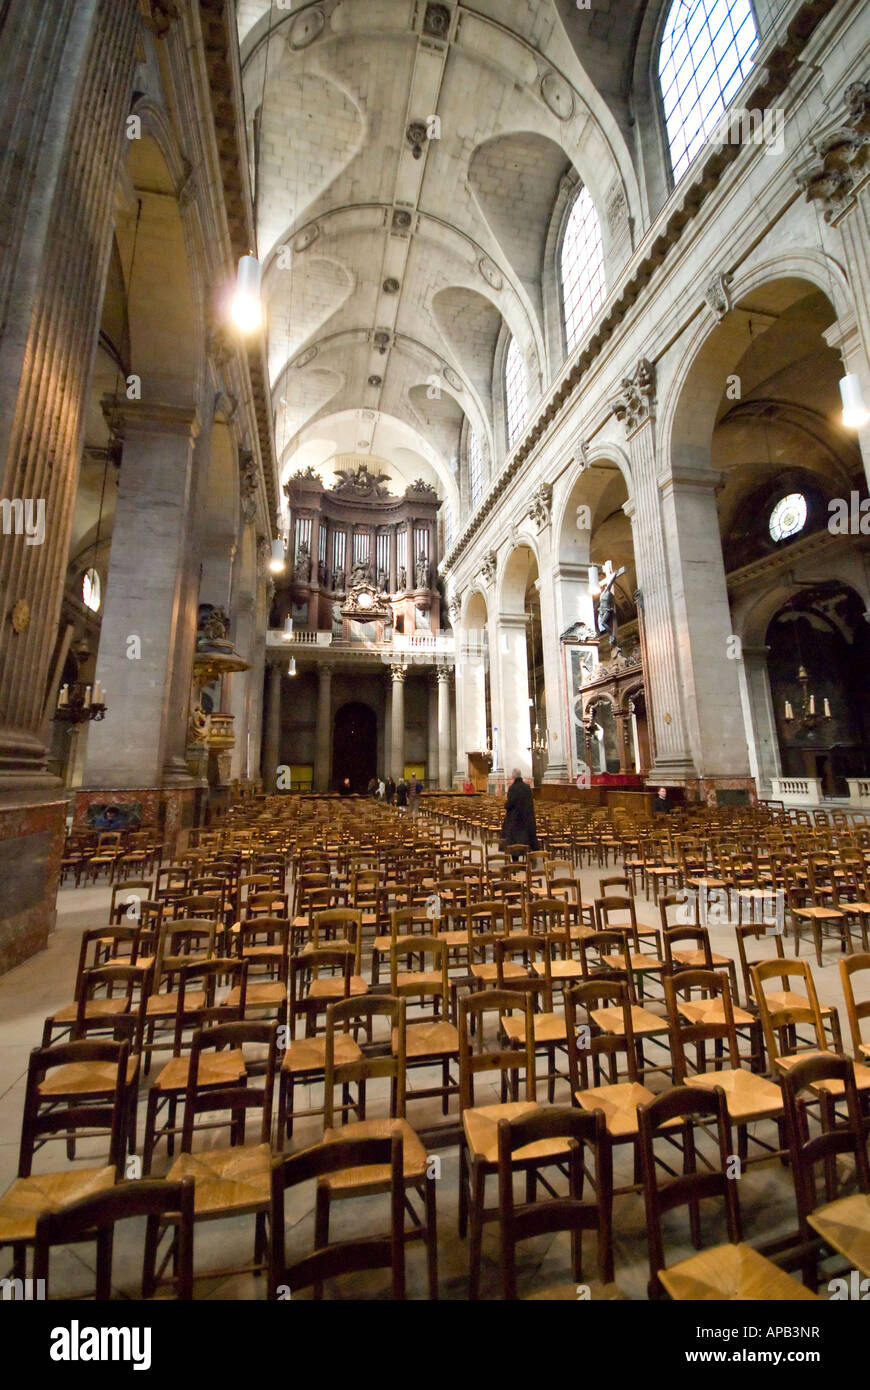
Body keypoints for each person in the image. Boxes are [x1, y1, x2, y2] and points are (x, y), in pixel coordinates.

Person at [501, 769, 538, 854]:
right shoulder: (527, 787)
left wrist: (505, 805)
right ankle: (530, 856)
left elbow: (510, 803)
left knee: (514, 840)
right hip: (527, 817)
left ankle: (515, 860)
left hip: (515, 818)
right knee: (527, 838)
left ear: (513, 777)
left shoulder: (512, 788)